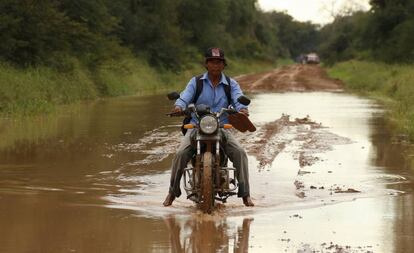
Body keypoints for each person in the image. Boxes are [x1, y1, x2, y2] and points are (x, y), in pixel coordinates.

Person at [163, 47, 254, 207]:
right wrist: (179, 106)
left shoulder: (230, 84)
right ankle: (172, 192)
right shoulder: (195, 82)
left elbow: (239, 98)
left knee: (240, 153)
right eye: (212, 61)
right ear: (206, 64)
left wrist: (242, 109)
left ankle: (245, 194)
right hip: (196, 127)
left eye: (219, 62)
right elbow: (184, 97)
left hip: (221, 127)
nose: (215, 65)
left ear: (223, 65)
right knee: (180, 154)